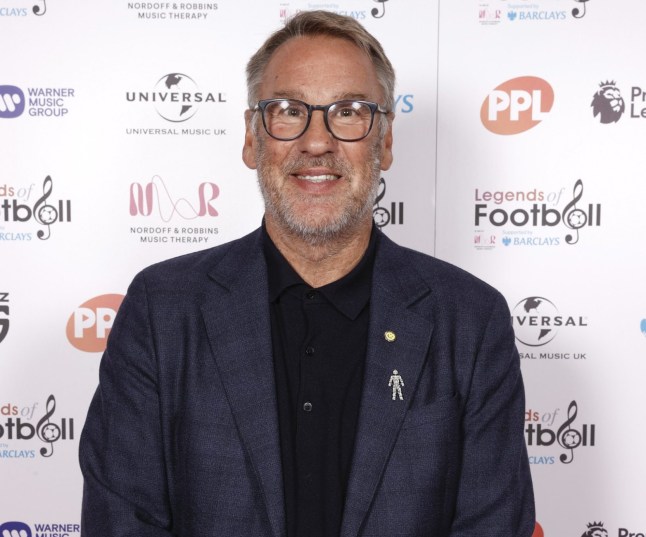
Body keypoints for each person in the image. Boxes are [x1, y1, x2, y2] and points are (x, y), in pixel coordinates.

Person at [79, 10, 535, 537]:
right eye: (289, 110)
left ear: (384, 142)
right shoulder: (162, 311)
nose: (317, 142)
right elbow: (121, 522)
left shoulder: (470, 322)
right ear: (252, 140)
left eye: (348, 111)